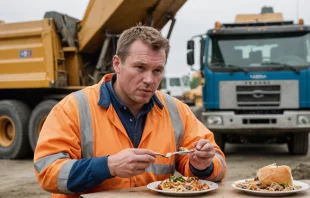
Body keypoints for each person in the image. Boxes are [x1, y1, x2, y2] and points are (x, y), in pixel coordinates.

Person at [33, 25, 226, 198]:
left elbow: (218, 166)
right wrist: (107, 166)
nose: (149, 80)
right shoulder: (74, 107)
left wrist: (202, 166)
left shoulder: (177, 111)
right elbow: (47, 172)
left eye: (157, 70)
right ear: (117, 64)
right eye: (140, 67)